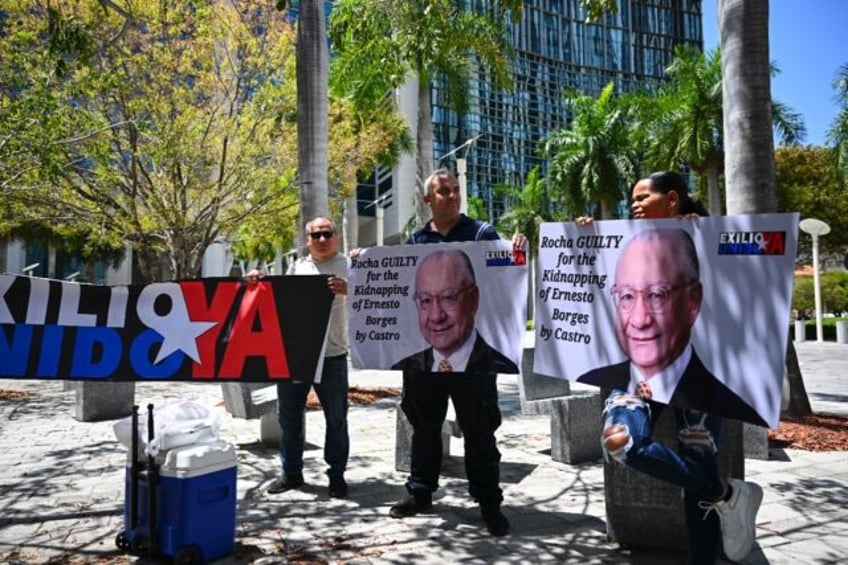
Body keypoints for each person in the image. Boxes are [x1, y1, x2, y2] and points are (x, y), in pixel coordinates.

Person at [576, 171, 763, 563]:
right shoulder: (618, 242)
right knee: (620, 441)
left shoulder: (704, 236)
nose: (635, 204)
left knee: (698, 457)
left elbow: (744, 287)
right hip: (631, 380)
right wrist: (588, 240)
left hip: (695, 380)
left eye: (644, 196)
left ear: (673, 199)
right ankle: (727, 494)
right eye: (626, 296)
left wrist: (706, 241)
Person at [387, 168, 526, 537]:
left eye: (455, 191)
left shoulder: (483, 235)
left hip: (474, 368)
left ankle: (489, 503)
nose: (452, 196)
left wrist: (515, 255)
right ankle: (420, 492)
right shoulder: (415, 242)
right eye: (443, 192)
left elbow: (503, 282)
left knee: (479, 431)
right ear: (428, 201)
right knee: (424, 427)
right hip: (423, 365)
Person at [577, 228, 768, 426]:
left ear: (692, 301)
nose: (640, 320)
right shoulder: (594, 378)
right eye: (626, 296)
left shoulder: (732, 409)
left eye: (657, 295)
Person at [247, 216, 350, 498]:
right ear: (307, 240)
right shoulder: (297, 268)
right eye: (315, 235)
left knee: (337, 419)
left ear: (335, 236)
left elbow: (372, 300)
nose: (321, 240)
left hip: (333, 356)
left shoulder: (350, 267)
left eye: (327, 233)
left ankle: (337, 476)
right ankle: (291, 473)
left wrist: (350, 289)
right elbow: (274, 300)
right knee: (289, 417)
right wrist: (257, 282)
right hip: (295, 356)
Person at [391, 248, 519, 374]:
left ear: (473, 300)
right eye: (426, 300)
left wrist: (517, 248)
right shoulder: (403, 367)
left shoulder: (503, 368)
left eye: (448, 297)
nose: (436, 316)